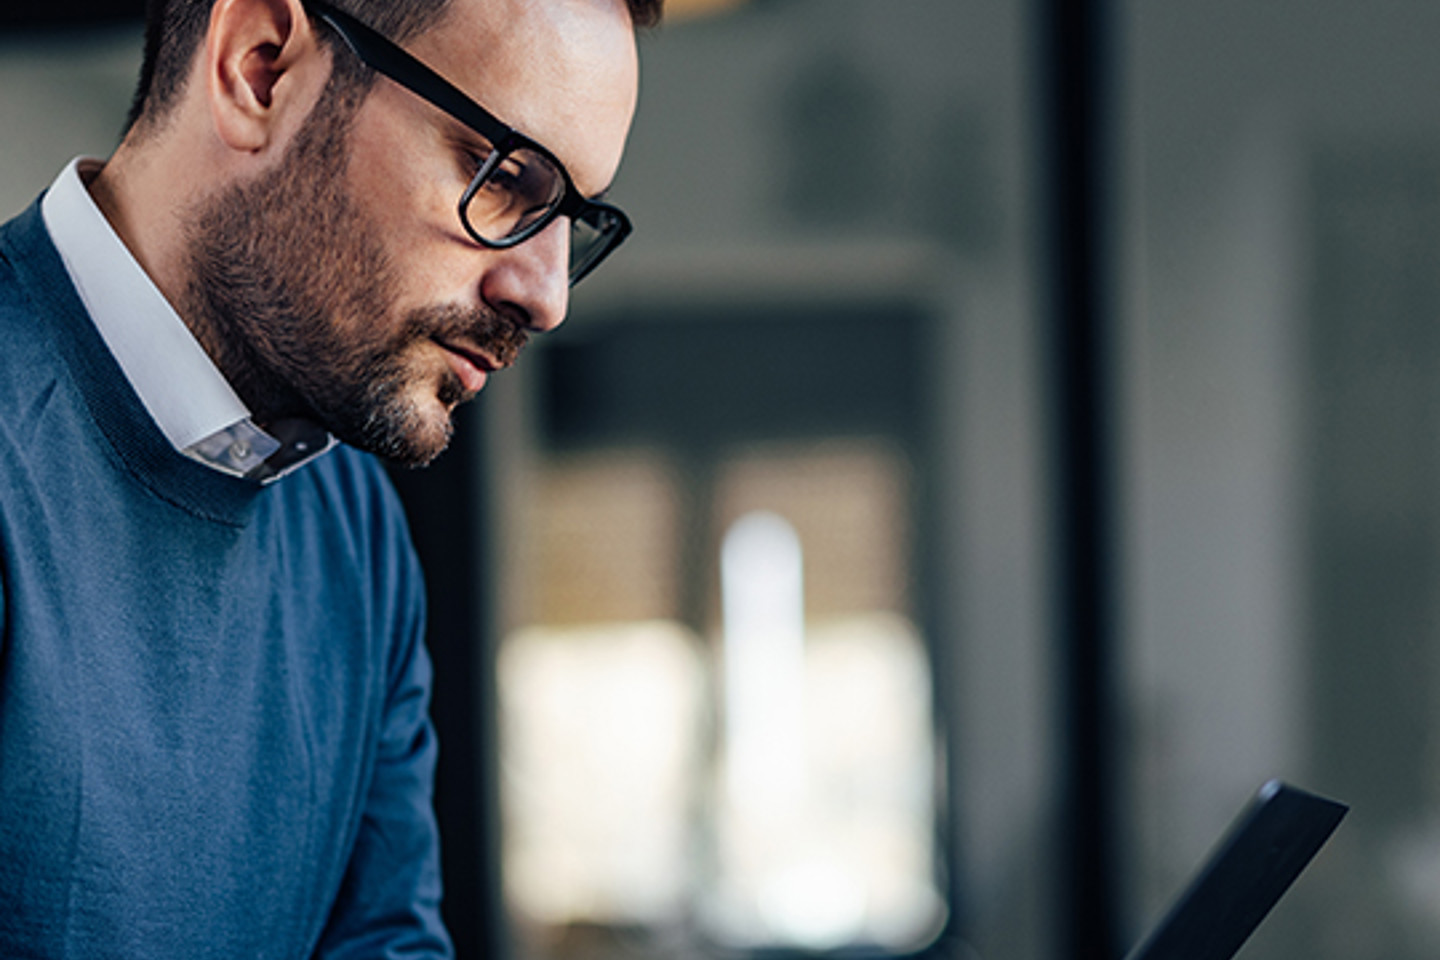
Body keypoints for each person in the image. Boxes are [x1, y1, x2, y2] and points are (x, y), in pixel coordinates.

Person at [0, 0, 660, 953]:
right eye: (504, 178)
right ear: (258, 67)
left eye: (575, 219)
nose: (545, 295)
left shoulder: (356, 528)